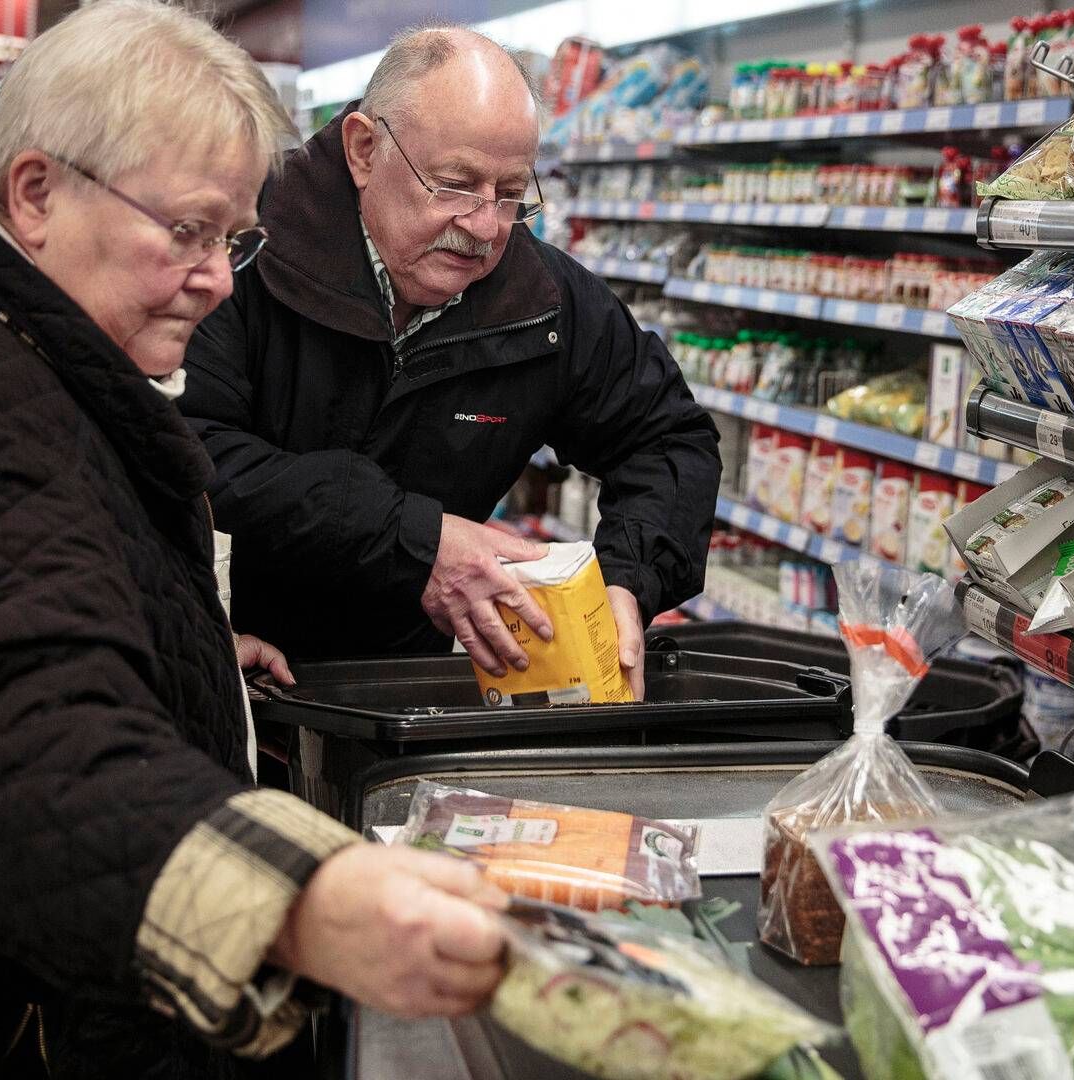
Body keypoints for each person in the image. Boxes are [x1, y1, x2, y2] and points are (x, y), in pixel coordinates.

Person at [0, 4, 507, 1078]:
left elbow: (24, 590)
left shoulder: (31, 354)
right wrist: (302, 904)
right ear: (36, 194)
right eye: (186, 231)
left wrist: (188, 649)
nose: (221, 279)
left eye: (233, 239)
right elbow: (16, 745)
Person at [181, 26, 722, 697]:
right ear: (364, 150)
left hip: (410, 688)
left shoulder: (546, 302)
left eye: (511, 191)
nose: (486, 224)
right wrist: (414, 539)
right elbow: (188, 450)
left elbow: (670, 440)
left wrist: (628, 579)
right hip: (221, 665)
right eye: (455, 184)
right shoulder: (238, 255)